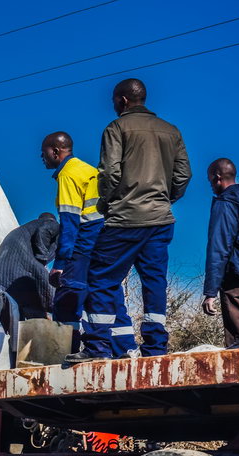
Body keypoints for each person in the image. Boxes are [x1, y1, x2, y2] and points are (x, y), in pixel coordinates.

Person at [66, 78, 191, 363]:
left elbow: (109, 173)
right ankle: (156, 350)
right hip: (160, 220)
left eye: (113, 100)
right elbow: (183, 175)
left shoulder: (116, 128)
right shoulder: (172, 131)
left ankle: (97, 347)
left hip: (125, 219)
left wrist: (107, 203)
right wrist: (163, 199)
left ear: (122, 101)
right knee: (154, 282)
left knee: (100, 278)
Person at [39, 132, 103, 342]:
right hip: (103, 240)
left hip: (84, 241)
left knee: (68, 297)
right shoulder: (88, 169)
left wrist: (60, 263)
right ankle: (123, 347)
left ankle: (66, 350)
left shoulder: (68, 174)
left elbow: (70, 222)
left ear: (56, 151)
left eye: (44, 152)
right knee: (103, 294)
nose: (42, 157)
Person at [202, 158, 239, 347]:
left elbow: (219, 248)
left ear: (217, 177)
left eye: (210, 180)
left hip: (237, 278)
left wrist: (210, 291)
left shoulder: (225, 203)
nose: (211, 185)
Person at [0, 212, 60, 319]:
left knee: (17, 304)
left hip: (4, 271)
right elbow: (44, 230)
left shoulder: (24, 228)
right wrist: (42, 257)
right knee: (51, 296)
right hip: (22, 263)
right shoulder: (52, 224)